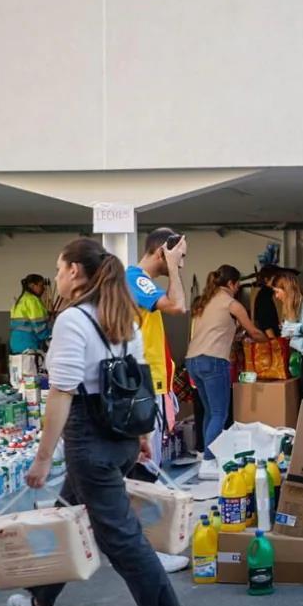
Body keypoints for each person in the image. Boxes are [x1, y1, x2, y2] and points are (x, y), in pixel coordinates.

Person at [10, 238, 199, 606]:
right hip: (120, 438)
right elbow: (137, 382)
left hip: (89, 442)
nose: (56, 277)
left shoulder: (72, 321)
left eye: (59, 269)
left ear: (76, 271)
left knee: (120, 537)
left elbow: (62, 393)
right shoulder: (124, 320)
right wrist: (141, 437)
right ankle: (40, 603)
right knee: (67, 517)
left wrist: (43, 459)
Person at [126, 228, 190, 573]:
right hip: (143, 388)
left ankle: (134, 543)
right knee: (145, 470)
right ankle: (148, 549)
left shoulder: (138, 282)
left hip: (150, 386)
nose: (182, 260)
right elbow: (178, 305)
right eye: (179, 253)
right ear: (161, 251)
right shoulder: (136, 279)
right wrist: (174, 267)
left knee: (138, 469)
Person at [187, 265, 267, 475]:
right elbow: (253, 331)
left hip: (193, 361)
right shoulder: (232, 303)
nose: (238, 287)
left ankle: (205, 457)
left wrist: (236, 336)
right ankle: (209, 462)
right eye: (238, 284)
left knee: (209, 412)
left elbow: (214, 330)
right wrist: (271, 339)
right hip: (214, 361)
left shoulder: (203, 302)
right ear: (232, 284)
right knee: (220, 414)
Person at [9, 273, 52, 354]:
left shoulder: (20, 300)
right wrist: (52, 335)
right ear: (32, 286)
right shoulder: (33, 300)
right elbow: (39, 329)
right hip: (29, 345)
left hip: (16, 344)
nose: (44, 289)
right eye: (41, 285)